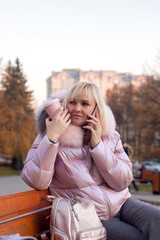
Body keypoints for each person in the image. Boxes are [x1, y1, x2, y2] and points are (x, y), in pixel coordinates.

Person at [21, 82, 160, 240]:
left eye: (85, 104)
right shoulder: (49, 134)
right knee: (137, 237)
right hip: (87, 216)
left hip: (122, 204)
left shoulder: (110, 135)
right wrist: (52, 138)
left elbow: (123, 182)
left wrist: (98, 146)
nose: (77, 108)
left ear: (96, 109)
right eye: (72, 102)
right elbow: (35, 180)